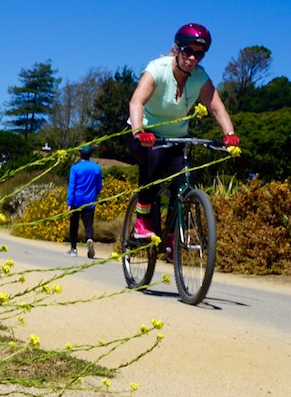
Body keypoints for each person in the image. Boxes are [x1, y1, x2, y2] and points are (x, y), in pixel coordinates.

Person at [127, 23, 239, 248]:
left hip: (176, 140)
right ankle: (142, 219)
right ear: (177, 49)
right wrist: (139, 131)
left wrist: (230, 135)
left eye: (199, 54)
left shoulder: (199, 77)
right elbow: (136, 101)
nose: (192, 58)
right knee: (154, 162)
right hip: (145, 135)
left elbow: (217, 108)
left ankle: (172, 236)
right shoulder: (157, 69)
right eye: (187, 51)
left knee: (185, 179)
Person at [66, 145, 103, 258]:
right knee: (88, 224)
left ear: (80, 154)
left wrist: (69, 203)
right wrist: (95, 194)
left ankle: (73, 249)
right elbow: (99, 185)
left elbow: (72, 186)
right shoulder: (96, 168)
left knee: (74, 225)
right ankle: (89, 238)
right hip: (90, 200)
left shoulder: (75, 168)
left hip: (76, 200)